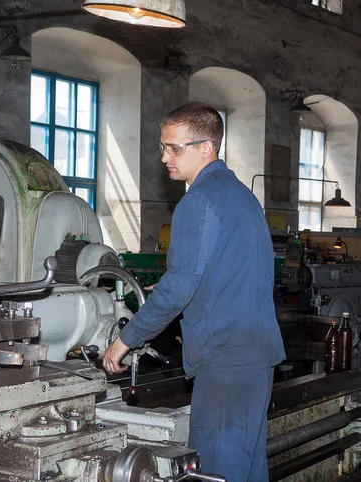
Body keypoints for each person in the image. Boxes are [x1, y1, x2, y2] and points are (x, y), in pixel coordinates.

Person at [103, 101, 285, 482]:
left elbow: (180, 286)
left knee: (216, 474)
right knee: (248, 470)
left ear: (207, 147)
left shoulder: (198, 201)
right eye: (162, 147)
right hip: (255, 357)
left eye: (174, 148)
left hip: (225, 362)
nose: (165, 157)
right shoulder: (241, 196)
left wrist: (126, 339)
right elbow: (233, 274)